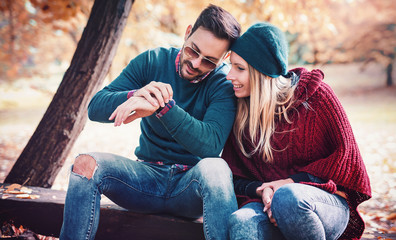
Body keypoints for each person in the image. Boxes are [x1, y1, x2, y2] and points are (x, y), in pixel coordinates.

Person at [60, 5, 241, 240]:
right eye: (193, 51)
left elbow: (209, 145)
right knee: (84, 165)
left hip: (189, 188)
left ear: (224, 57)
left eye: (208, 61)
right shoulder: (152, 60)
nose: (196, 63)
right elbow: (95, 107)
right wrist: (138, 95)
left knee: (216, 168)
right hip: (144, 179)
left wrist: (163, 107)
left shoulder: (223, 84)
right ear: (187, 33)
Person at [221, 22, 371, 240]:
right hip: (265, 205)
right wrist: (263, 191)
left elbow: (347, 165)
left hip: (323, 205)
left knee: (288, 198)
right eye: (231, 66)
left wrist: (285, 185)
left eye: (239, 68)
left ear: (262, 73)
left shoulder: (318, 98)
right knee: (240, 221)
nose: (229, 75)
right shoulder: (241, 110)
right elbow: (234, 178)